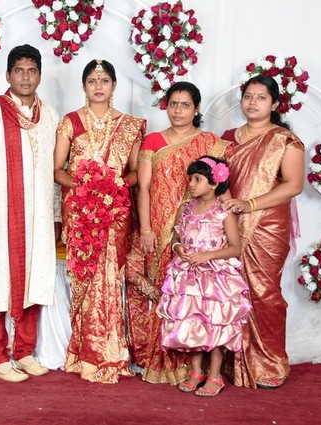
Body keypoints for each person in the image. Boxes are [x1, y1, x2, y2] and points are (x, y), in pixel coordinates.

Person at [125, 82, 231, 385]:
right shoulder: (154, 141)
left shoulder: (210, 143)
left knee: (193, 295)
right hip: (159, 225)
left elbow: (220, 188)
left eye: (185, 105)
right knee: (163, 286)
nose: (178, 110)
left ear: (196, 109)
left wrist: (227, 218)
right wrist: (146, 228)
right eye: (173, 104)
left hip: (198, 229)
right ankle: (161, 360)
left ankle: (197, 366)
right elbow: (144, 187)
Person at [0, 44, 59, 383]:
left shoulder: (49, 115)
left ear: (40, 75)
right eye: (19, 71)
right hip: (0, 216)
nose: (25, 77)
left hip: (38, 218)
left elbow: (54, 170)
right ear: (7, 75)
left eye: (31, 71)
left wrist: (55, 216)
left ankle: (24, 352)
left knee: (35, 280)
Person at [54, 59, 145, 383]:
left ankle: (110, 351)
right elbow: (57, 170)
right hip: (80, 212)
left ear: (114, 85)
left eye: (104, 80)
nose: (98, 86)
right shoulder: (70, 122)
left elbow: (135, 173)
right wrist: (85, 188)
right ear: (84, 85)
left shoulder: (130, 125)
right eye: (92, 80)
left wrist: (116, 186)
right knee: (86, 279)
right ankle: (83, 353)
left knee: (109, 280)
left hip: (115, 212)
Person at [221, 75, 304, 389]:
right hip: (230, 222)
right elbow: (218, 180)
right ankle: (232, 360)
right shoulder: (227, 138)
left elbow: (293, 186)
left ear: (274, 103)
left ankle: (269, 362)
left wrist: (250, 204)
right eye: (248, 96)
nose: (252, 102)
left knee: (265, 292)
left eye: (260, 97)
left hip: (267, 226)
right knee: (229, 289)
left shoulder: (286, 140)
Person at [156, 156, 252, 397]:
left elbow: (235, 247)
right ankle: (196, 372)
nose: (191, 184)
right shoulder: (185, 209)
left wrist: (208, 255)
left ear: (214, 183)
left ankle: (215, 375)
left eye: (197, 179)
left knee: (216, 322)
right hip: (188, 276)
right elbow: (176, 237)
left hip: (214, 277)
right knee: (192, 321)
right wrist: (178, 248)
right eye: (190, 178)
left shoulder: (223, 212)